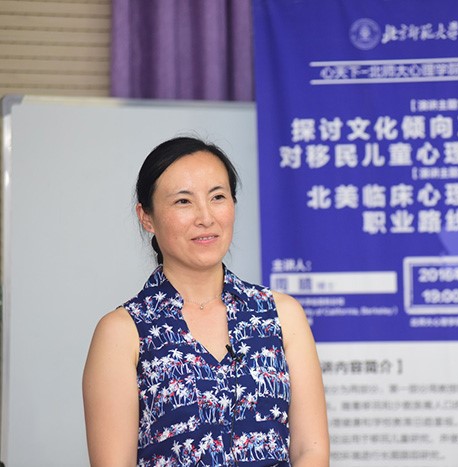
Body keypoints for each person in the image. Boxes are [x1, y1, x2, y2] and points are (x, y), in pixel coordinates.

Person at [83, 137, 329, 466]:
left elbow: (310, 450)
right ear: (147, 217)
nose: (205, 217)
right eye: (183, 201)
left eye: (217, 197)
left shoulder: (281, 314)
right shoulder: (122, 332)